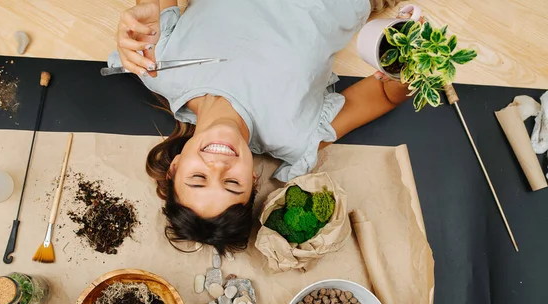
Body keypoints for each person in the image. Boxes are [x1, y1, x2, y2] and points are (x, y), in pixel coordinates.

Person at [112, 0, 411, 254]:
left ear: (175, 166)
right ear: (254, 180)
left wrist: (147, 9)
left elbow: (154, 10)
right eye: (232, 184)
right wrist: (408, 65)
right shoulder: (295, 134)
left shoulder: (158, 68)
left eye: (198, 177)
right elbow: (383, 95)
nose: (218, 166)